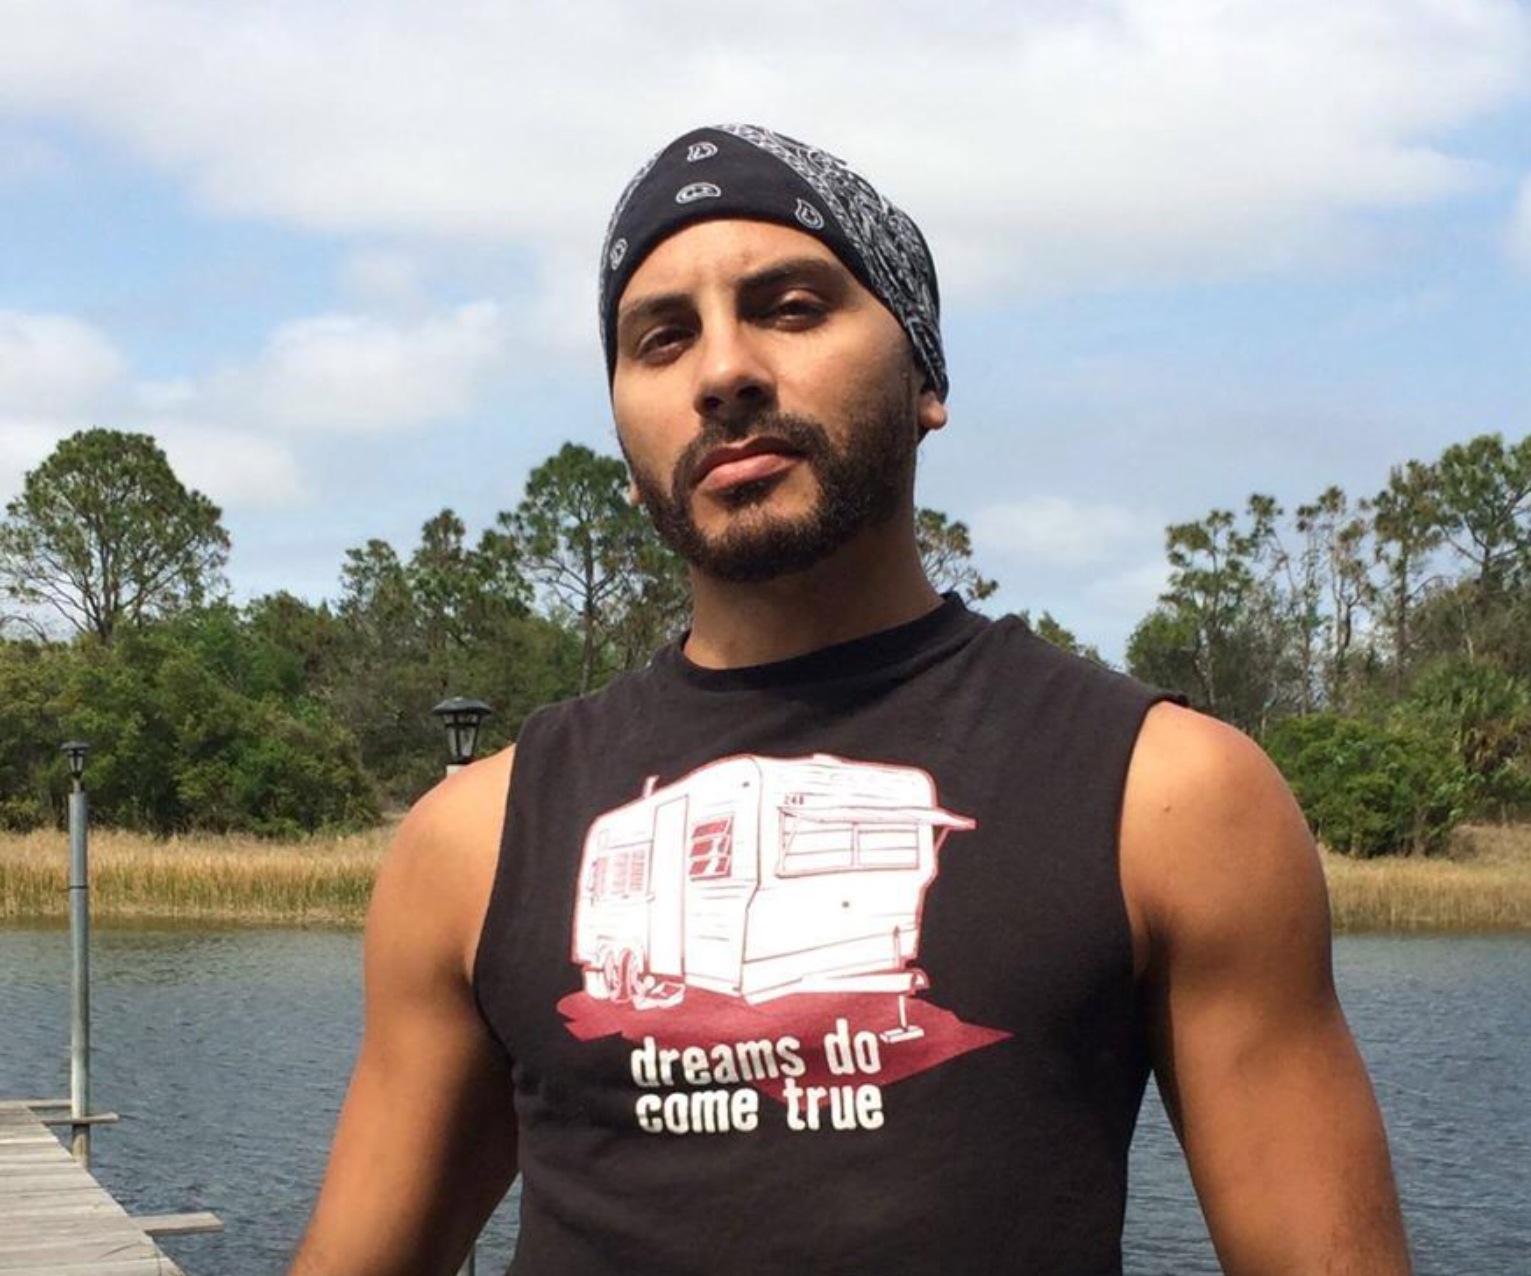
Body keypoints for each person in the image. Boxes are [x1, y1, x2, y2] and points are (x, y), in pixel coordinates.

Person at [289, 124, 1411, 1276]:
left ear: (925, 376)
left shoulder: (1166, 796)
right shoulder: (475, 839)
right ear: (625, 446)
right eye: (662, 338)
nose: (722, 372)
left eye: (790, 308)